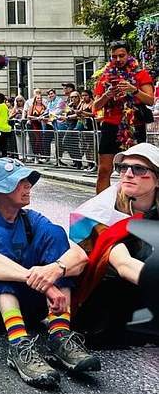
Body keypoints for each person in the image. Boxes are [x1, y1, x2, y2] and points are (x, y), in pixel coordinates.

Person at [0, 157, 100, 388]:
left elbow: (79, 257)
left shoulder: (31, 219)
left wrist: (54, 269)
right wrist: (38, 280)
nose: (28, 185)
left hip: (22, 302)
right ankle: (18, 342)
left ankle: (59, 334)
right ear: (0, 190)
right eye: (21, 181)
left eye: (28, 180)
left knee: (55, 233)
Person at [69, 142, 159, 337]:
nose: (127, 174)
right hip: (107, 292)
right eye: (123, 168)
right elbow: (124, 265)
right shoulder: (101, 212)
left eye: (138, 169)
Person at [93, 40, 155, 193]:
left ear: (129, 55)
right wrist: (107, 95)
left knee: (136, 170)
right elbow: (95, 107)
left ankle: (135, 204)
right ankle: (100, 208)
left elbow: (150, 100)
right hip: (110, 125)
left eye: (121, 56)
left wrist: (133, 90)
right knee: (103, 171)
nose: (118, 60)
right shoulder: (105, 77)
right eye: (114, 57)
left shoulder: (140, 74)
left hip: (134, 126)